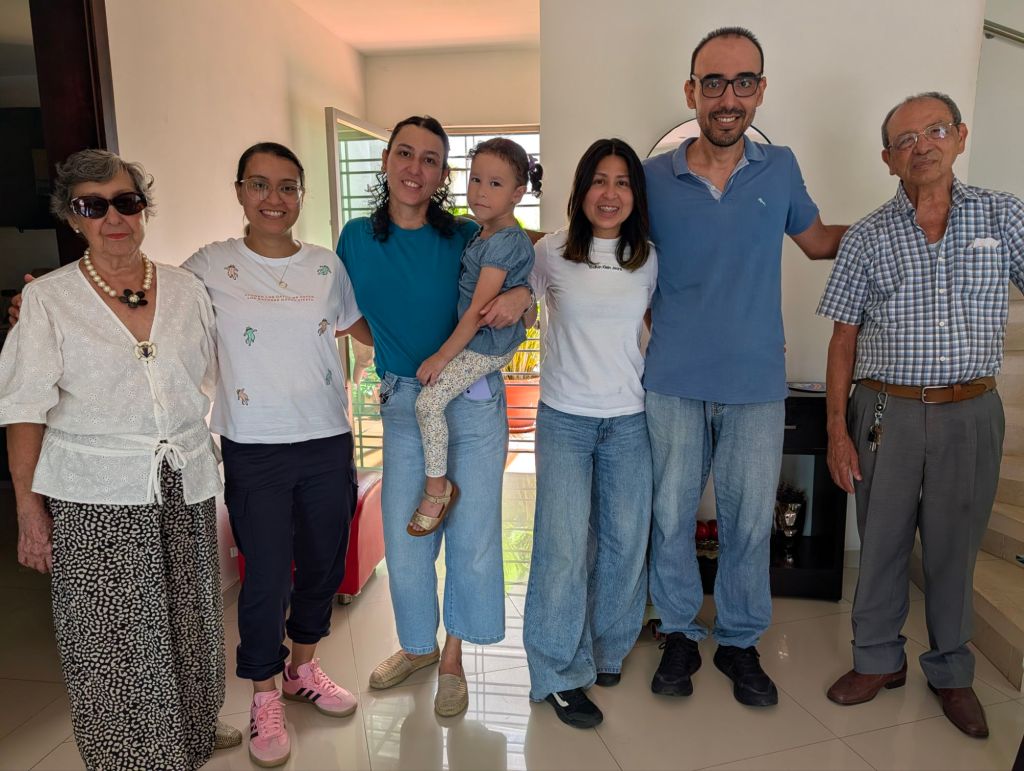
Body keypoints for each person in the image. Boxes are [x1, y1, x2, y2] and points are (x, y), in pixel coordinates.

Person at [0, 149, 227, 769]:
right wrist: (29, 511)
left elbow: (206, 376)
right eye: (93, 207)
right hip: (95, 493)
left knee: (190, 622)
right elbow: (24, 409)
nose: (113, 218)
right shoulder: (48, 300)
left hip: (183, 481)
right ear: (72, 217)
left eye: (126, 202)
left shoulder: (187, 289)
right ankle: (134, 756)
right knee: (114, 638)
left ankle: (189, 738)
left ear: (144, 208)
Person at [642, 26, 847, 707]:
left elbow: (818, 242)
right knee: (671, 516)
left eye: (743, 82)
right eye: (714, 83)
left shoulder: (779, 167)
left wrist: (897, 229)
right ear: (691, 91)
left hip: (756, 385)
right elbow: (613, 257)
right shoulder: (652, 178)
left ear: (760, 90)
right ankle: (678, 632)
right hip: (672, 381)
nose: (728, 97)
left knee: (750, 522)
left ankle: (737, 640)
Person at [818, 92, 1023, 739]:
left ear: (960, 136)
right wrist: (836, 432)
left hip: (971, 411)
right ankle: (878, 660)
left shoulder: (1003, 215)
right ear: (888, 159)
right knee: (880, 541)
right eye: (905, 140)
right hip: (886, 410)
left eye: (935, 130)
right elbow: (843, 338)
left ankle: (951, 670)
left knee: (955, 548)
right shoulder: (867, 236)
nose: (922, 146)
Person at [183, 142, 372, 767]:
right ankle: (264, 695)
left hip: (326, 437)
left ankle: (302, 670)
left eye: (288, 187)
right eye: (260, 185)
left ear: (300, 196)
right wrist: (53, 300)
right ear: (240, 191)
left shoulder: (325, 267)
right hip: (254, 444)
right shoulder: (208, 265)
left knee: (322, 564)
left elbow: (366, 328)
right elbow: (150, 307)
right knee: (265, 576)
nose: (274, 198)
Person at [337, 116, 532, 717]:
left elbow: (532, 252)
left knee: (471, 539)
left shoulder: (465, 234)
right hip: (404, 402)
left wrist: (524, 296)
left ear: (442, 173)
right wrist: (388, 351)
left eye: (429, 159)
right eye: (404, 153)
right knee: (407, 538)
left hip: (471, 403)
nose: (415, 168)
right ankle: (418, 646)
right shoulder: (356, 238)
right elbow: (343, 311)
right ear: (386, 161)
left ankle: (451, 658)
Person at [523, 138, 657, 729]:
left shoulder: (648, 259)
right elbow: (515, 307)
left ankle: (604, 650)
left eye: (622, 182)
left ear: (635, 194)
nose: (610, 193)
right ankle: (556, 671)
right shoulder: (550, 252)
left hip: (629, 419)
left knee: (625, 542)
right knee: (562, 548)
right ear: (580, 191)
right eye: (599, 180)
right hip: (565, 420)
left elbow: (664, 326)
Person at [410, 137, 536, 536]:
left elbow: (478, 313)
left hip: (486, 345)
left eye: (495, 184)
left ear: (518, 193)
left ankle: (437, 489)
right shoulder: (482, 232)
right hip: (482, 340)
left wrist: (441, 357)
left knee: (428, 403)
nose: (481, 191)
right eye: (476, 179)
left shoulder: (504, 241)